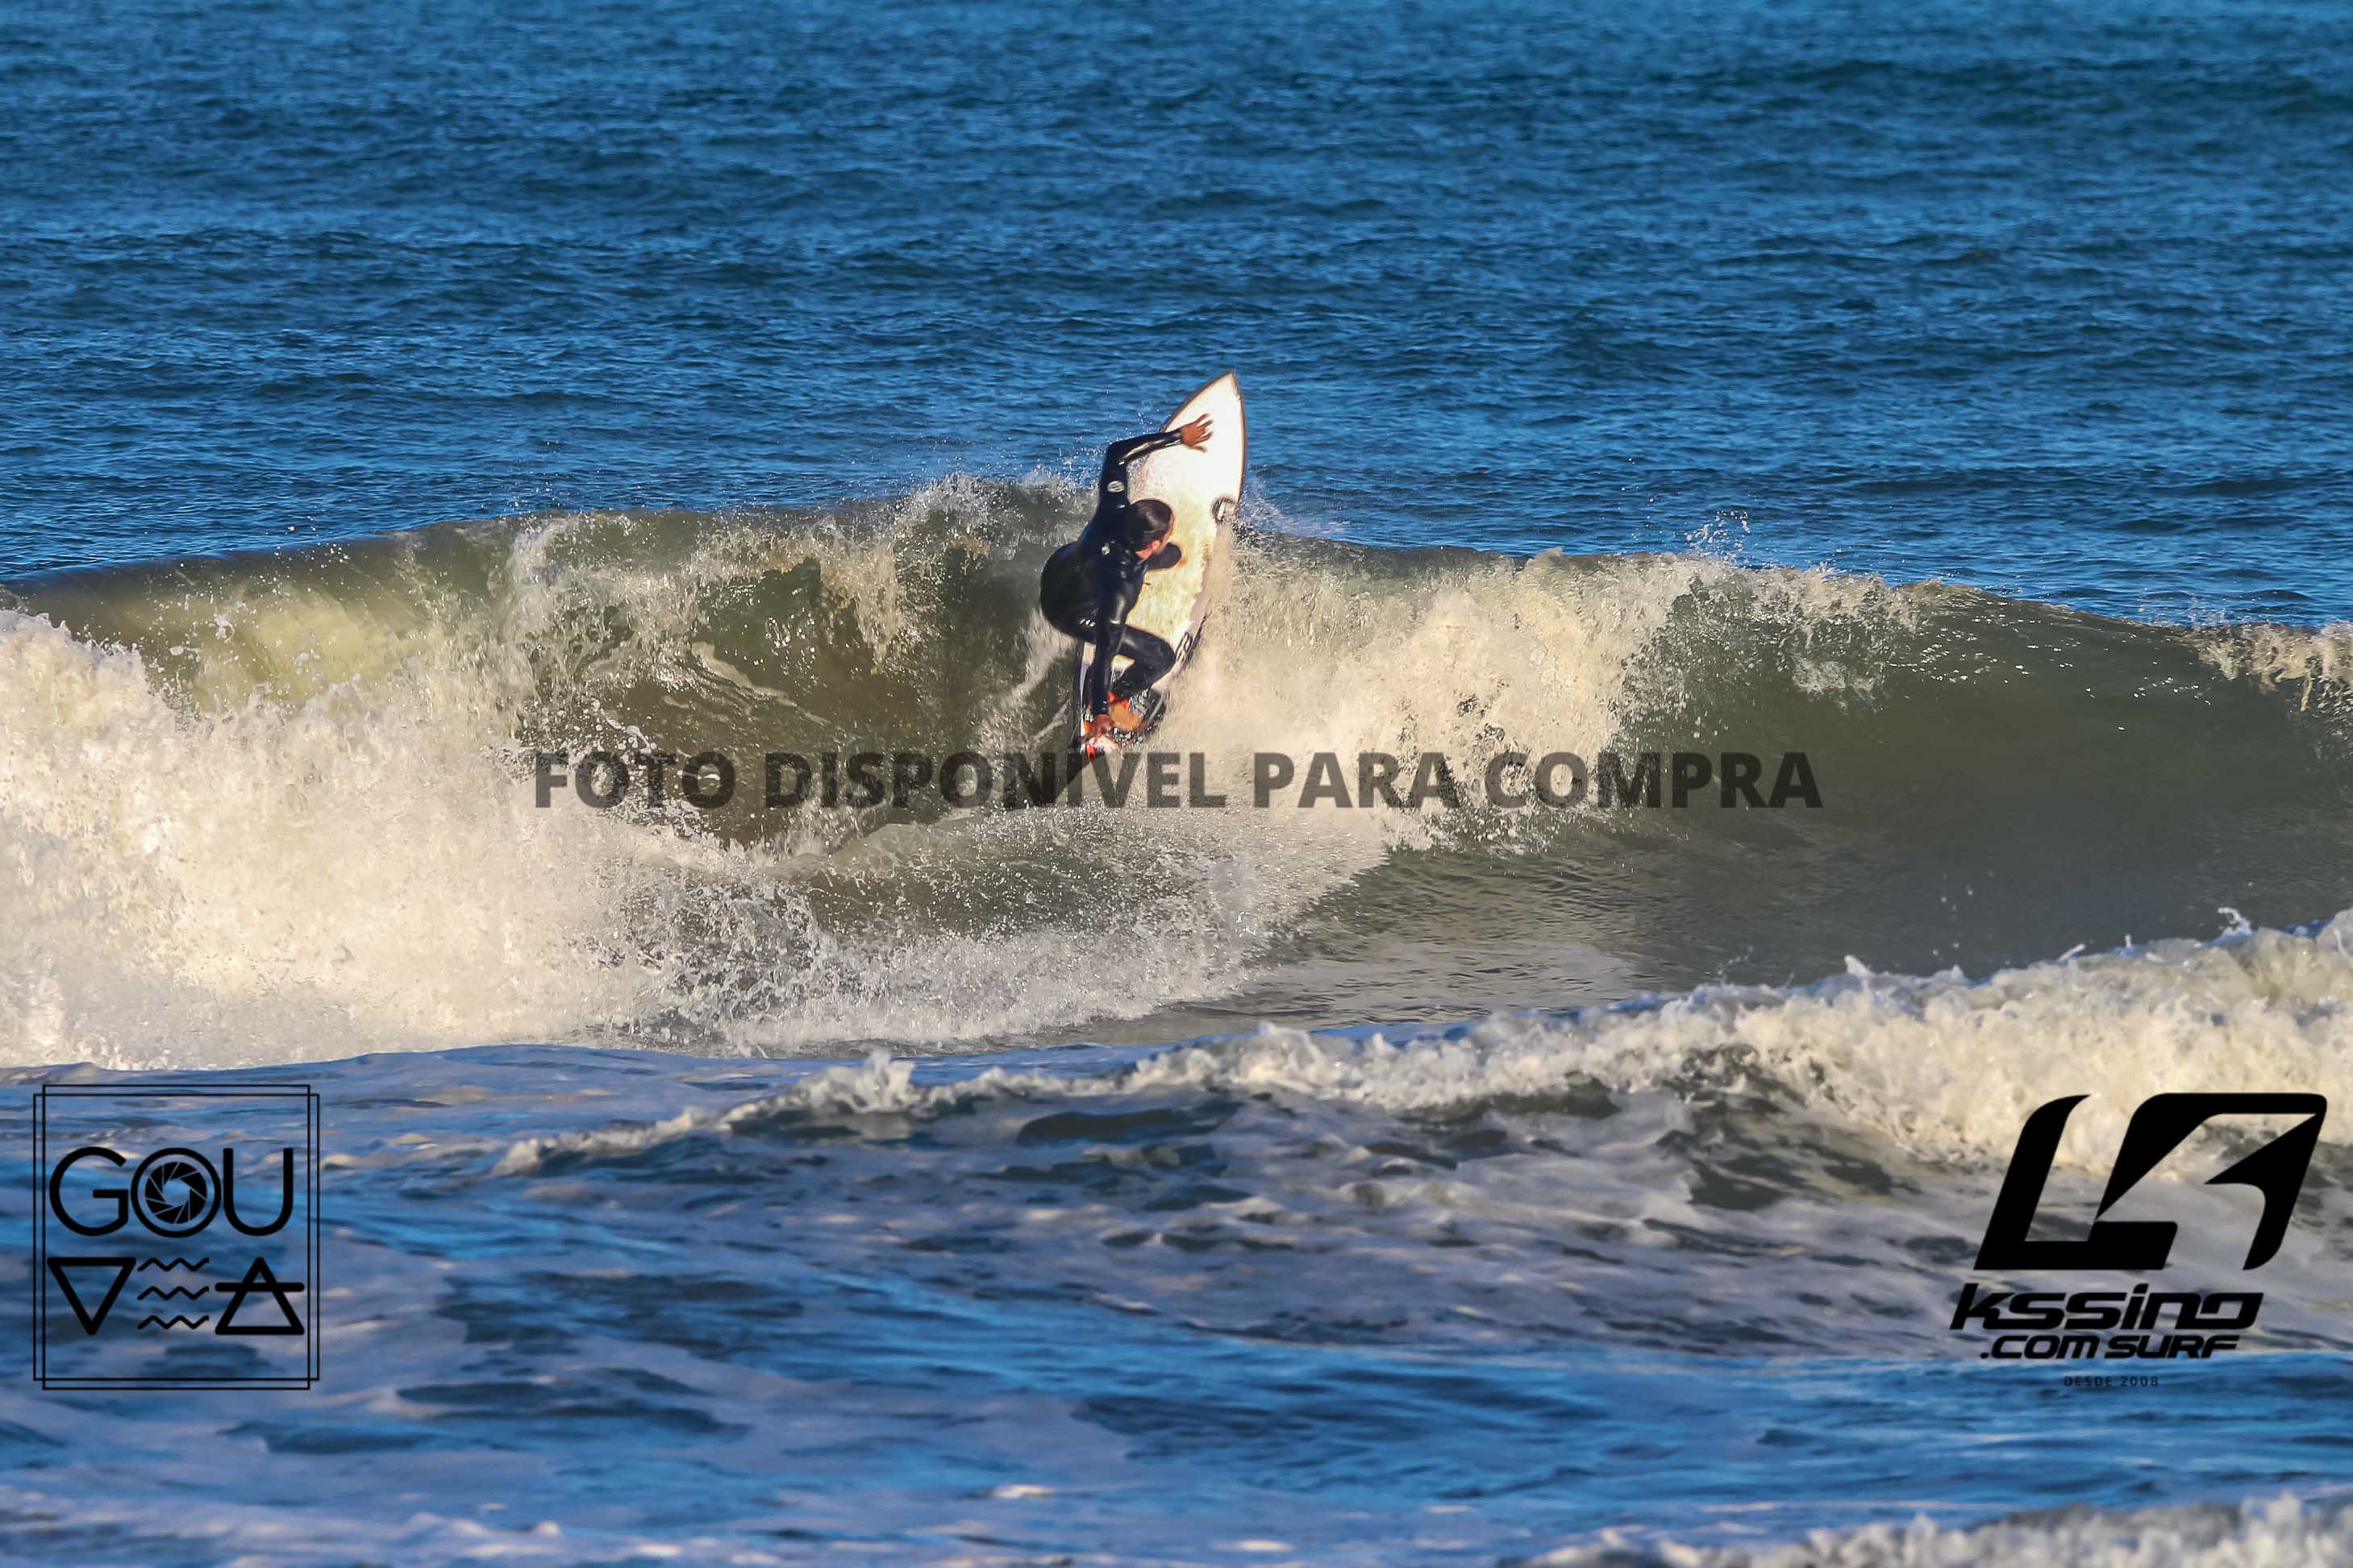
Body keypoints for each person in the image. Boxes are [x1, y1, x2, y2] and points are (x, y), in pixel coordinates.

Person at [1039, 413, 1214, 739]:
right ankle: (1114, 699)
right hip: (1069, 613)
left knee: (1171, 555)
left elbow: (1117, 452)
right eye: (1169, 531)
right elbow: (1106, 649)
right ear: (1153, 543)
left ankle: (1171, 557)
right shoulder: (1121, 589)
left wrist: (1178, 437)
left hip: (1058, 571)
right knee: (1161, 658)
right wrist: (1101, 710)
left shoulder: (1115, 508)